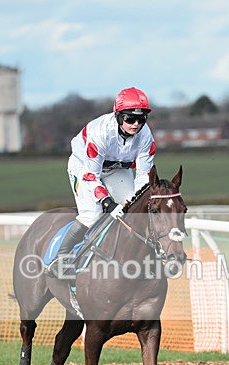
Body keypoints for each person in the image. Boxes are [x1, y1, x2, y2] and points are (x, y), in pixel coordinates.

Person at [47, 87, 156, 277]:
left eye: (142, 119)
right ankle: (60, 257)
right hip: (85, 167)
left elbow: (143, 175)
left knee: (132, 209)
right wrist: (107, 201)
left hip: (117, 168)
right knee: (93, 214)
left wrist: (135, 201)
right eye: (130, 119)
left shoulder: (146, 136)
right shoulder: (101, 133)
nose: (136, 124)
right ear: (118, 116)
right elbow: (91, 175)